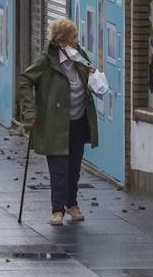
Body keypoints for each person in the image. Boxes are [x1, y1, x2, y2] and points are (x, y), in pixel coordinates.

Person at [17, 18, 99, 226]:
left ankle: (71, 204)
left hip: (78, 120)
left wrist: (95, 78)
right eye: (73, 37)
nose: (76, 40)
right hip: (55, 124)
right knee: (59, 168)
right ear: (62, 40)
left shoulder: (80, 57)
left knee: (74, 168)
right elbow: (25, 80)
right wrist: (30, 111)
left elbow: (90, 75)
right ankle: (57, 210)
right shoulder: (46, 61)